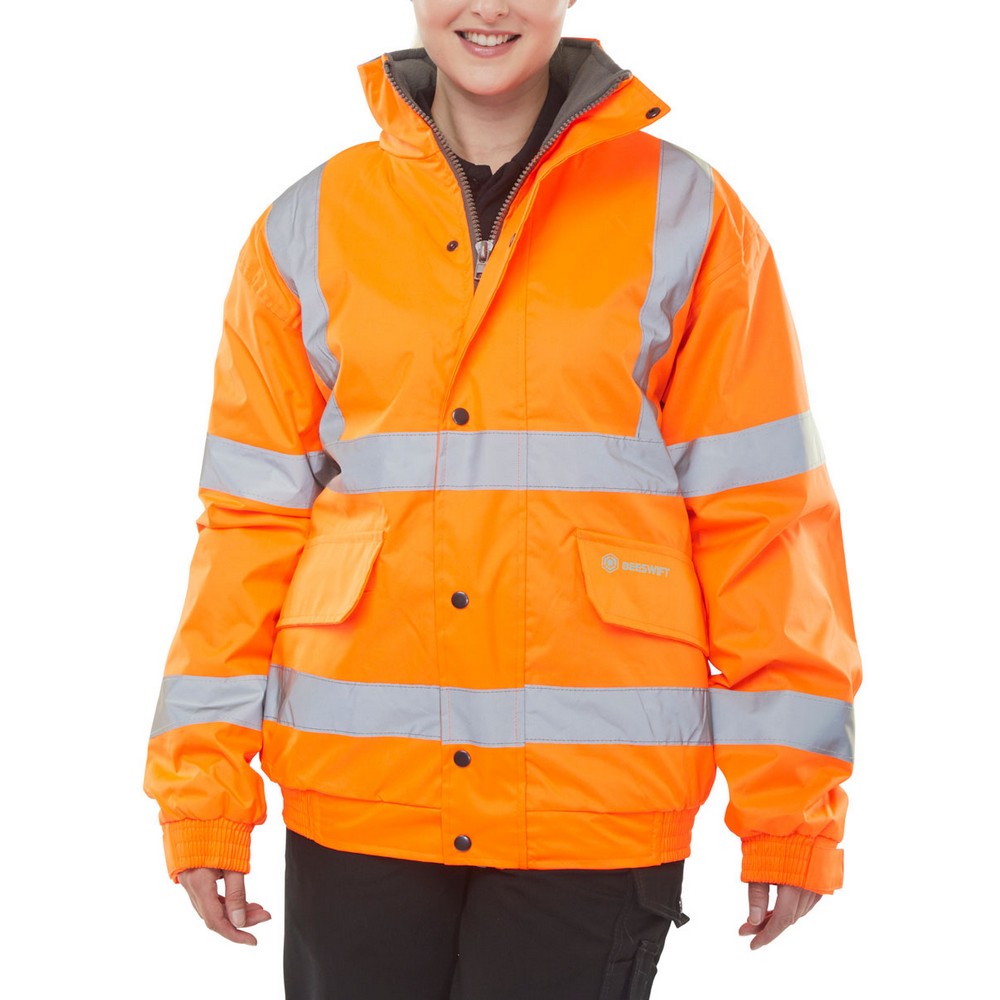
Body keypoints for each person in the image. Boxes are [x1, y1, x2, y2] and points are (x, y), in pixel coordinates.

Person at [144, 1, 862, 997]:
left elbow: (762, 518)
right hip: (362, 788)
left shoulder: (686, 213)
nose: (487, 6)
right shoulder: (308, 224)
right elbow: (246, 526)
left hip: (593, 794)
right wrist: (204, 791)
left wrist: (791, 807)